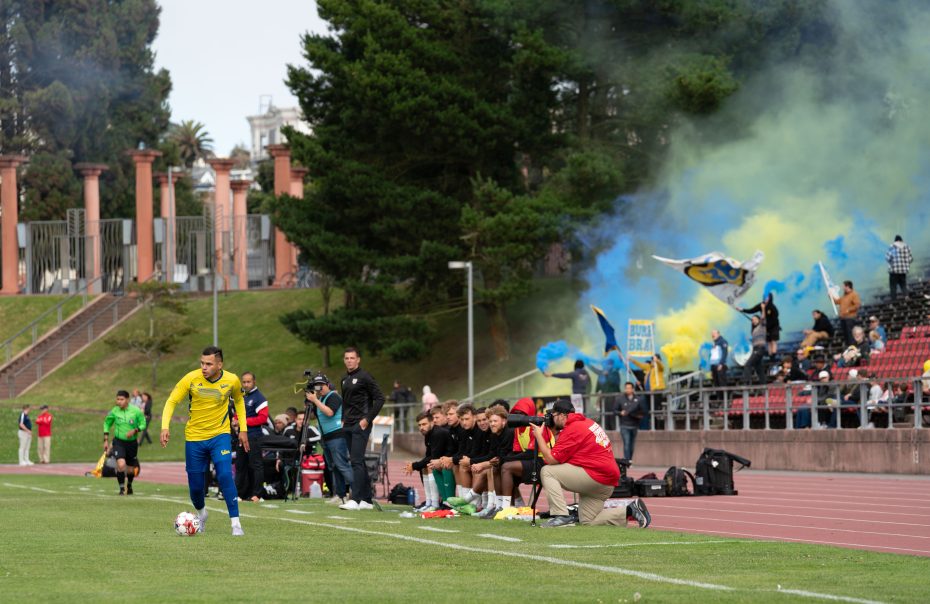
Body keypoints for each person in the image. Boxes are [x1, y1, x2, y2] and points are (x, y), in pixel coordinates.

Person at [160, 346, 250, 536]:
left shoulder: (231, 380)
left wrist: (243, 429)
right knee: (195, 487)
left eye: (208, 364)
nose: (204, 367)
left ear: (219, 364)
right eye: (202, 363)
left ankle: (236, 524)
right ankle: (201, 513)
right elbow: (171, 401)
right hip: (194, 438)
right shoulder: (191, 378)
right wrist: (165, 426)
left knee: (225, 475)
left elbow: (240, 401)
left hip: (220, 436)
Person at [529, 399, 651, 528]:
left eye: (553, 415)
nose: (551, 419)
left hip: (596, 476)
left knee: (547, 471)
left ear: (562, 415)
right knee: (587, 520)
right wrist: (554, 433)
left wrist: (539, 436)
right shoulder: (585, 422)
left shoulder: (572, 429)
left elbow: (551, 459)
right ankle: (631, 510)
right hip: (605, 481)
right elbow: (564, 451)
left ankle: (561, 516)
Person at [339, 347, 385, 511]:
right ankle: (366, 499)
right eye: (347, 358)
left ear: (358, 360)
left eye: (352, 358)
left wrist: (367, 419)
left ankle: (355, 499)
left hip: (361, 424)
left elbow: (380, 398)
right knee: (358, 461)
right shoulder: (344, 378)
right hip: (348, 425)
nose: (349, 360)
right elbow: (345, 401)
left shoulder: (365, 377)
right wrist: (343, 419)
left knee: (356, 460)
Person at [307, 373, 354, 505]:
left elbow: (329, 413)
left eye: (321, 386)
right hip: (327, 437)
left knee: (342, 465)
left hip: (337, 435)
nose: (319, 389)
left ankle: (357, 493)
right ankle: (340, 495)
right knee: (334, 467)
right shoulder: (321, 399)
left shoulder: (333, 396)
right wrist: (310, 402)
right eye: (317, 387)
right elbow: (313, 417)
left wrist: (315, 400)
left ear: (327, 385)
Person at [405, 411, 453, 511]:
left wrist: (414, 465)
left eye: (424, 424)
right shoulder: (428, 434)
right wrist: (416, 466)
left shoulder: (438, 433)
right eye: (419, 425)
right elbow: (429, 456)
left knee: (430, 465)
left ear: (432, 423)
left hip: (451, 462)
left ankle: (435, 504)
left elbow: (433, 457)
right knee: (425, 467)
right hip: (442, 461)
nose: (421, 427)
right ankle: (429, 502)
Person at [103, 390, 146, 494]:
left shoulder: (136, 411)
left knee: (131, 469)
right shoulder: (114, 411)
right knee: (121, 465)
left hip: (132, 443)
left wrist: (135, 430)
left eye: (121, 399)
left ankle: (129, 485)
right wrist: (105, 439)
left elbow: (143, 424)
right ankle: (122, 489)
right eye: (117, 399)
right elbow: (107, 423)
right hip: (118, 442)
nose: (119, 401)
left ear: (127, 400)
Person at [234, 371, 267, 503]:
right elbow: (238, 413)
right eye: (244, 382)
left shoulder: (260, 398)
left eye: (249, 382)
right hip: (241, 437)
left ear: (254, 382)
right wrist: (235, 419)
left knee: (256, 465)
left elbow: (263, 418)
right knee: (240, 465)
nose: (246, 384)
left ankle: (257, 494)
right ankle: (239, 494)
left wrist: (243, 422)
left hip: (254, 437)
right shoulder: (242, 396)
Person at [740, 293, 781, 358]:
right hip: (766, 326)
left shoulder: (772, 306)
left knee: (773, 340)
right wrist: (742, 310)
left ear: (770, 298)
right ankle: (771, 356)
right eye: (765, 297)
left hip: (774, 326)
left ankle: (774, 354)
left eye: (767, 297)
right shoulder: (761, 305)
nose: (766, 299)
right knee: (769, 341)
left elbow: (776, 315)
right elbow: (752, 310)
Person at [617, 382, 646, 461]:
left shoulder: (638, 399)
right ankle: (627, 461)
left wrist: (638, 415)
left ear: (633, 389)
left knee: (632, 444)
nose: (628, 390)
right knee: (626, 443)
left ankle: (630, 459)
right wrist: (620, 413)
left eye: (630, 388)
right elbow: (615, 410)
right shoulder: (620, 399)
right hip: (624, 425)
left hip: (634, 424)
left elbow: (644, 411)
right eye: (626, 388)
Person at [592, 358, 622, 430]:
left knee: (612, 415)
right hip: (604, 399)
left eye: (609, 364)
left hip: (614, 398)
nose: (607, 366)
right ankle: (605, 430)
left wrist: (607, 375)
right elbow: (598, 389)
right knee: (604, 415)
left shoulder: (615, 373)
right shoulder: (602, 374)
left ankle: (614, 429)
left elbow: (615, 382)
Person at [832, 280, 862, 346]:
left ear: (847, 286)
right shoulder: (844, 296)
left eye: (843, 286)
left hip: (850, 318)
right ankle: (848, 348)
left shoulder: (854, 294)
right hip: (843, 318)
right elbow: (837, 301)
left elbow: (857, 305)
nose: (842, 288)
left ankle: (853, 348)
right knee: (846, 335)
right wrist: (830, 296)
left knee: (850, 335)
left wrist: (848, 310)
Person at [886, 235, 913, 300]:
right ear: (901, 240)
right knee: (903, 284)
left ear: (895, 240)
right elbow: (910, 259)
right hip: (903, 271)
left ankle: (894, 299)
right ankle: (906, 295)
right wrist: (904, 264)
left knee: (893, 286)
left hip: (893, 271)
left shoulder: (892, 246)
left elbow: (887, 258)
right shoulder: (907, 247)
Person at [742, 315, 767, 384]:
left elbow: (763, 318)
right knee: (759, 369)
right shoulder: (754, 330)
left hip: (760, 348)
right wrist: (748, 339)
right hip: (756, 348)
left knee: (748, 364)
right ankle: (763, 386)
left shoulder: (762, 326)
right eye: (752, 320)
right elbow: (755, 341)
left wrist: (763, 308)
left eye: (755, 319)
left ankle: (747, 383)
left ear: (759, 319)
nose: (753, 320)